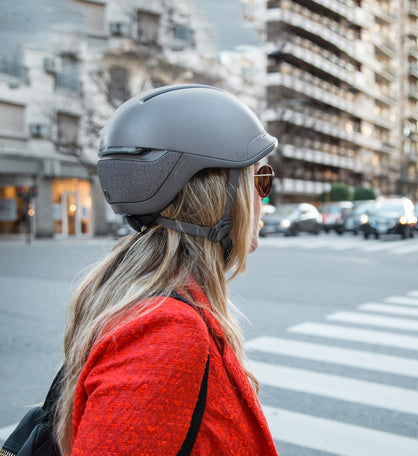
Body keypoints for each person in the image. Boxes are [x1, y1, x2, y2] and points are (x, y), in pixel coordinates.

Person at [52, 84, 279, 455]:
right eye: (260, 179)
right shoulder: (166, 332)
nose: (264, 198)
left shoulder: (139, 296)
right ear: (219, 196)